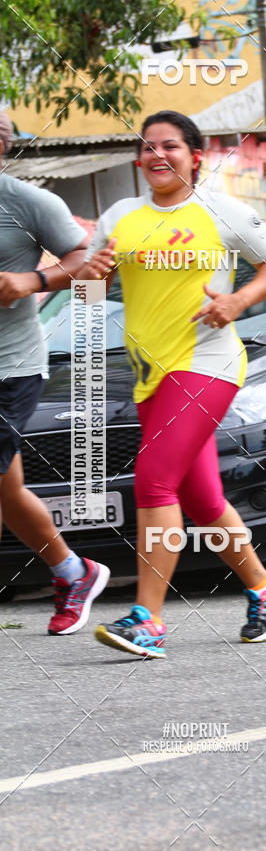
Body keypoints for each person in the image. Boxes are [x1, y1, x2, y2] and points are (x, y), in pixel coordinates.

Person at [80, 110, 266, 659]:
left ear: (194, 157)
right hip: (151, 375)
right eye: (148, 147)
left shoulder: (220, 210)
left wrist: (237, 301)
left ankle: (148, 618)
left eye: (170, 146)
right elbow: (92, 287)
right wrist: (93, 272)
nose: (157, 156)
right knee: (201, 498)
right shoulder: (122, 216)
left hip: (209, 362)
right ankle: (265, 588)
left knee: (153, 480)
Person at [0, 111, 110, 633]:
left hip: (12, 366)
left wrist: (32, 280)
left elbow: (84, 260)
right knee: (7, 491)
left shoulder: (29, 203)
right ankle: (73, 571)